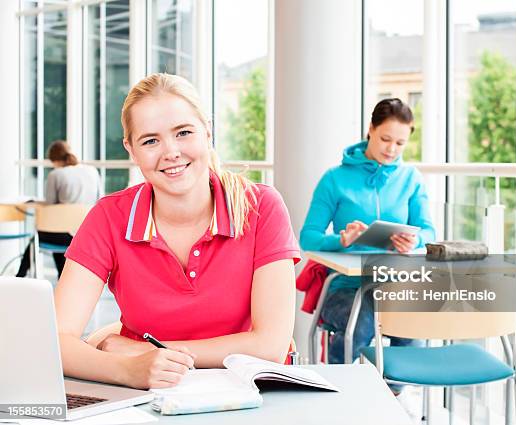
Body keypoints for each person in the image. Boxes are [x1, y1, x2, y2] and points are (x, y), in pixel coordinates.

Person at [54, 73, 300, 389]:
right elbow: (56, 340)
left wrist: (147, 353)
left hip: (246, 390)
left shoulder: (261, 206)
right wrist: (126, 369)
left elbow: (270, 346)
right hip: (144, 392)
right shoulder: (109, 217)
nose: (170, 152)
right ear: (131, 149)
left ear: (207, 132)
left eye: (183, 132)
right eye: (150, 140)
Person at [300, 98, 436, 365]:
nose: (392, 149)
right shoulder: (334, 179)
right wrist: (341, 240)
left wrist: (414, 240)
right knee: (362, 319)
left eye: (400, 143)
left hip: (394, 282)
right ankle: (342, 390)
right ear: (371, 129)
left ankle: (394, 393)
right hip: (344, 286)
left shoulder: (411, 180)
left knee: (409, 322)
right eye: (386, 139)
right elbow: (308, 236)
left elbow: (429, 231)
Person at [16, 140, 100, 278]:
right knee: (61, 230)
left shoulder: (56, 174)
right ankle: (62, 277)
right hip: (85, 233)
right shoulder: (92, 171)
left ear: (54, 160)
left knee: (43, 235)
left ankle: (21, 275)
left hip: (61, 235)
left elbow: (50, 203)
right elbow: (98, 199)